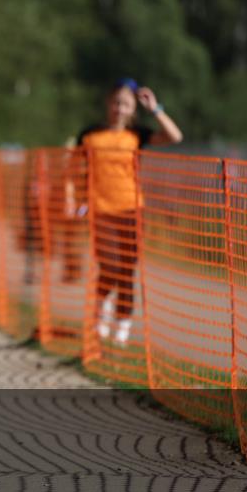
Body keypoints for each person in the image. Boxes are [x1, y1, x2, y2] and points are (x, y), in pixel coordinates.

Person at [76, 78, 183, 349]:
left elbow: (175, 136)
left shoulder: (137, 135)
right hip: (100, 209)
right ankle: (100, 313)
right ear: (108, 104)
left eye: (125, 104)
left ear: (133, 108)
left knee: (127, 270)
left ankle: (122, 326)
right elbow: (73, 168)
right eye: (116, 103)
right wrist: (73, 198)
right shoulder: (89, 134)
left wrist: (155, 109)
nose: (119, 109)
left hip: (132, 209)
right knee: (110, 266)